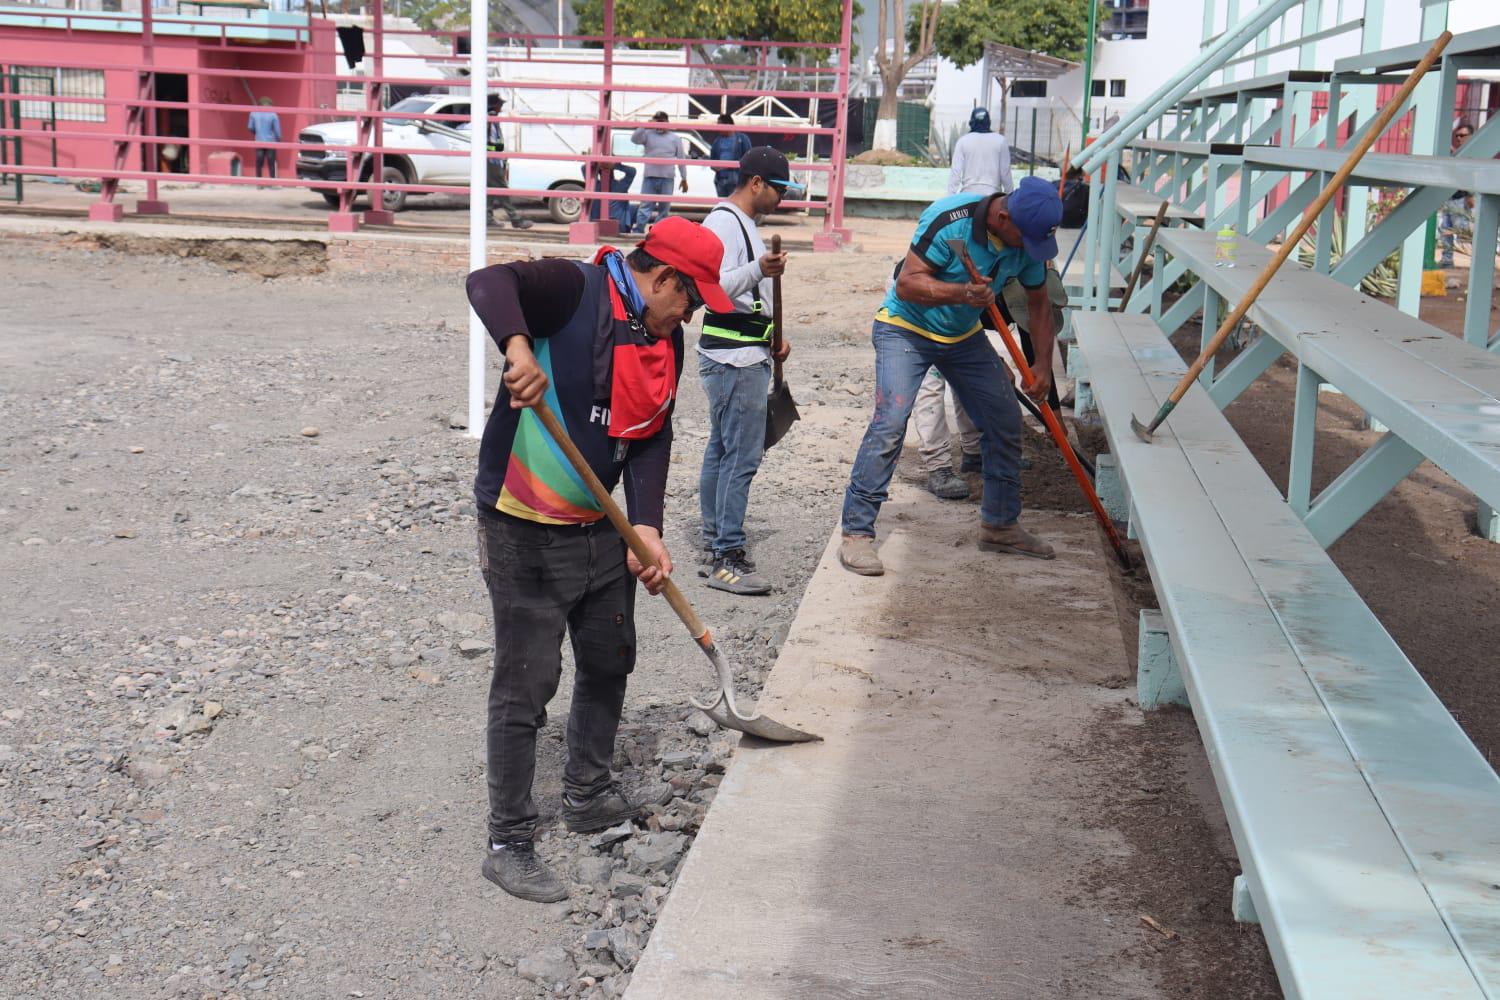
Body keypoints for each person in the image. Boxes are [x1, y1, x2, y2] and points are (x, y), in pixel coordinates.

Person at [464, 216, 734, 903]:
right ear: (665, 278)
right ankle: (509, 840)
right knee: (528, 679)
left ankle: (587, 793)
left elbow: (651, 436)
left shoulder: (660, 338)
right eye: (692, 299)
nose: (694, 314)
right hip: (524, 522)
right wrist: (519, 349)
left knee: (610, 656)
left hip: (600, 526)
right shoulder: (575, 290)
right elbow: (488, 281)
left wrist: (646, 526)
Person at [839, 176, 1064, 577]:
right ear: (1001, 216)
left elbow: (1040, 304)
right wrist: (962, 294)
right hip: (905, 328)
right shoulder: (948, 219)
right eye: (1025, 240)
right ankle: (856, 533)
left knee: (1004, 419)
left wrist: (1043, 366)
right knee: (890, 422)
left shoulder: (1025, 238)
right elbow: (908, 284)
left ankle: (999, 524)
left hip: (961, 335)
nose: (1029, 251)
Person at [697, 147, 805, 596]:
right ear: (756, 183)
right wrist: (758, 268)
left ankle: (713, 538)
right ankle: (726, 555)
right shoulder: (724, 222)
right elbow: (711, 287)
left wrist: (771, 335)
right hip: (733, 359)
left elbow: (749, 298)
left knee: (723, 450)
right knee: (741, 457)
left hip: (744, 351)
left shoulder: (744, 225)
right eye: (779, 189)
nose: (782, 198)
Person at [913, 369, 982, 499]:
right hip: (924, 348)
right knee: (931, 379)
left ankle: (975, 452)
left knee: (966, 376)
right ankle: (938, 466)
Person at [631, 111, 689, 231]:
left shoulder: (675, 138)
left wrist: (684, 178)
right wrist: (645, 125)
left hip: (667, 178)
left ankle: (658, 232)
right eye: (658, 121)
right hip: (650, 176)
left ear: (667, 122)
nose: (660, 124)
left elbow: (681, 159)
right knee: (645, 207)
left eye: (662, 121)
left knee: (664, 209)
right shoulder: (648, 134)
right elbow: (634, 139)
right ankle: (639, 230)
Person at [485, 94, 533, 230]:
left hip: (492, 158)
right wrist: (498, 150)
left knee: (490, 190)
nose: (501, 107)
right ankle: (515, 219)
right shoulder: (490, 119)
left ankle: (487, 219)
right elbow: (491, 142)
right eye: (500, 105)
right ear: (494, 106)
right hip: (491, 159)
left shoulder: (491, 119)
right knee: (501, 189)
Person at [948, 107, 1012, 197]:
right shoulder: (1000, 141)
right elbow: (1005, 172)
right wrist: (1009, 197)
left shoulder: (963, 141)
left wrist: (950, 198)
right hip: (992, 196)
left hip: (968, 195)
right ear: (988, 122)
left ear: (971, 122)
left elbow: (955, 172)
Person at [1440, 120, 1475, 268]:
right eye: (1457, 136)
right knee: (1445, 228)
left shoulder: (1473, 152)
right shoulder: (1458, 152)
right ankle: (1447, 260)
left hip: (1462, 197)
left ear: (1471, 135)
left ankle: (1476, 260)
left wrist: (1471, 194)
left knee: (1463, 230)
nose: (1460, 138)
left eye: (1463, 135)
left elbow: (1472, 173)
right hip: (1450, 196)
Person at [708, 113, 753, 198]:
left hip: (736, 180)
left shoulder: (742, 139)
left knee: (736, 206)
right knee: (723, 205)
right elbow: (712, 160)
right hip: (721, 180)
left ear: (728, 125)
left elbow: (749, 159)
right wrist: (715, 167)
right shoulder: (717, 141)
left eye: (720, 125)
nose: (718, 128)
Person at [247, 97, 281, 181]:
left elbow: (250, 127)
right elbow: (277, 130)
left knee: (259, 162)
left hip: (259, 140)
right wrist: (278, 139)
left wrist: (256, 133)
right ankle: (272, 181)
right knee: (271, 162)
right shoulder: (273, 114)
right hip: (271, 141)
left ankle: (259, 181)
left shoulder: (253, 113)